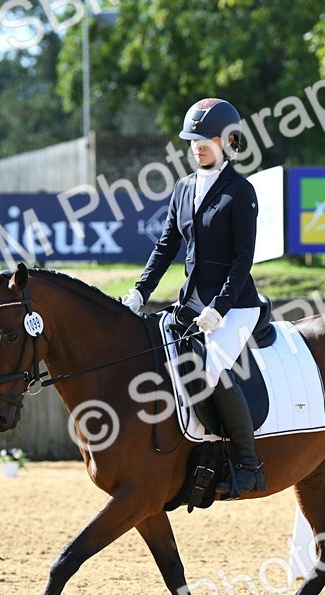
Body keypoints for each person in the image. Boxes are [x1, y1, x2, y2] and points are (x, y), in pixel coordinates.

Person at [122, 97, 266, 498]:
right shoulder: (184, 189)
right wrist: (140, 291)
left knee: (214, 370)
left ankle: (250, 465)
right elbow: (167, 245)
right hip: (191, 304)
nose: (197, 146)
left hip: (234, 306)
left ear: (228, 140)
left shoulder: (241, 191)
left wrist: (220, 307)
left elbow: (243, 259)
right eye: (193, 140)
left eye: (206, 139)